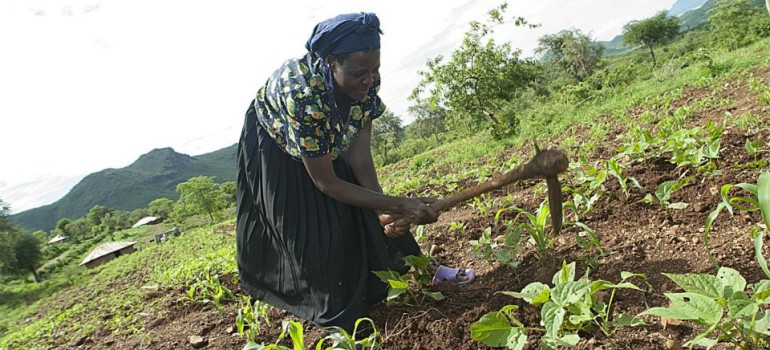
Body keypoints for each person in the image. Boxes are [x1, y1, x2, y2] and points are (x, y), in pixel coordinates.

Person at [235, 12, 472, 334]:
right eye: (360, 72)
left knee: (366, 208)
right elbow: (327, 182)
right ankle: (341, 318)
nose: (370, 80)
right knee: (315, 228)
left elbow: (359, 156)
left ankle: (418, 269)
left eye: (375, 70)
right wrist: (401, 204)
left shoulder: (364, 80)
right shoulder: (305, 98)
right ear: (331, 62)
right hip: (274, 143)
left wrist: (384, 206)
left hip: (321, 130)